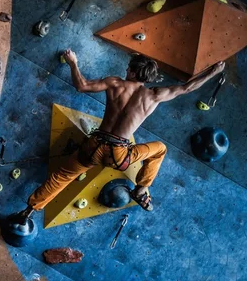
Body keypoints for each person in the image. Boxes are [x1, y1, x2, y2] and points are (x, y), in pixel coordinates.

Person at [18, 50, 225, 217]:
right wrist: (212, 72)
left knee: (61, 176)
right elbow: (187, 88)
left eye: (129, 68)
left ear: (134, 73)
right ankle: (142, 189)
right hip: (119, 156)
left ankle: (29, 210)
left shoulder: (114, 83)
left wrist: (73, 62)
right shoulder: (154, 95)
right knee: (160, 150)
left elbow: (81, 86)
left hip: (93, 146)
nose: (126, 69)